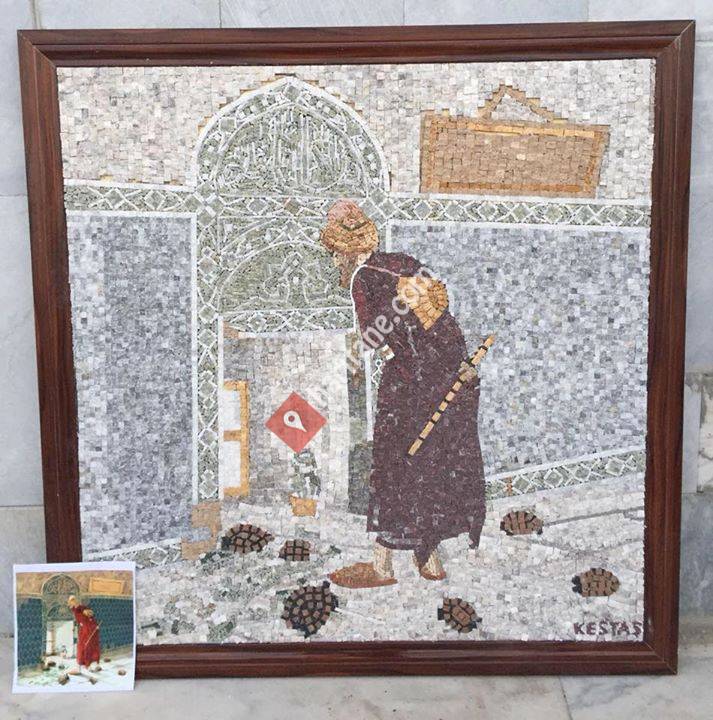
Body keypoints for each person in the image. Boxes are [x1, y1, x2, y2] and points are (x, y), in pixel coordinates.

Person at [321, 200, 486, 588]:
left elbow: (373, 338)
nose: (333, 262)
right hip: (448, 374)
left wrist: (365, 346)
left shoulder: (363, 277)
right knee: (430, 463)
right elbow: (440, 319)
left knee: (395, 465)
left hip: (408, 384)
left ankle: (382, 567)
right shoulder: (406, 262)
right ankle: (430, 562)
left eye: (333, 254)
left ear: (344, 251)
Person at [67, 595, 100, 680]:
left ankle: (88, 666)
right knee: (83, 649)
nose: (89, 613)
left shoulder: (87, 616)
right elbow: (75, 609)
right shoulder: (80, 613)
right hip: (85, 635)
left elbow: (93, 625)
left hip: (89, 636)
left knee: (87, 649)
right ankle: (85, 666)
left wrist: (96, 627)